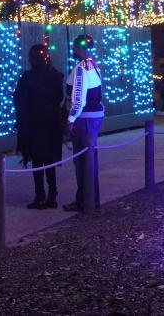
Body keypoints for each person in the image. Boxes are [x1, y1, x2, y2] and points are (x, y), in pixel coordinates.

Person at [13, 44, 64, 209]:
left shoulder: (28, 78)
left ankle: (40, 195)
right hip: (51, 123)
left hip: (34, 124)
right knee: (49, 160)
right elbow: (59, 98)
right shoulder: (55, 76)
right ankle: (52, 195)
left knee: (37, 161)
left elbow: (21, 99)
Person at [63, 35, 104, 212]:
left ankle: (85, 200)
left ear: (79, 48)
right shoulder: (93, 65)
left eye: (74, 47)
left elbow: (78, 99)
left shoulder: (81, 68)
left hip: (84, 119)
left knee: (83, 161)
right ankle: (91, 198)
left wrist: (70, 120)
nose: (73, 50)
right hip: (94, 117)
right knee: (89, 160)